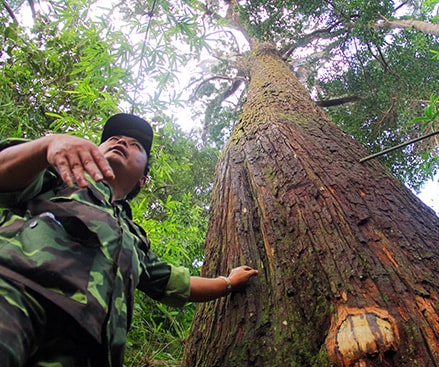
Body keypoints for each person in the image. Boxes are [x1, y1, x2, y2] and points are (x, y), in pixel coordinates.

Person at [0, 113, 258, 366]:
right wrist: (48, 145)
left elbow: (176, 283)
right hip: (15, 297)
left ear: (143, 179)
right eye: (114, 138)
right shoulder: (60, 175)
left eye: (135, 145)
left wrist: (228, 282)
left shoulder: (134, 238)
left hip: (89, 348)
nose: (121, 142)